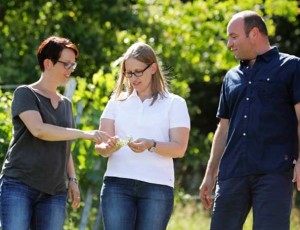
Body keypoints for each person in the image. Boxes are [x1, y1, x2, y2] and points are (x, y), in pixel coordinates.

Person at [199, 10, 300, 230]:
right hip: (232, 173)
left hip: (273, 172)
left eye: (233, 36)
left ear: (254, 33)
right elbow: (223, 128)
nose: (229, 44)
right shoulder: (231, 77)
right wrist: (210, 174)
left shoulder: (292, 67)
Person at [0, 36, 111, 230]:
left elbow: (64, 143)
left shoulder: (66, 104)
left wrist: (73, 180)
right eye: (66, 64)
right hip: (19, 185)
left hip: (54, 191)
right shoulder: (25, 93)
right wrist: (84, 133)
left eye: (73, 65)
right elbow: (39, 130)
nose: (71, 69)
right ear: (48, 63)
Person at [95, 42, 190, 230]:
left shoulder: (174, 103)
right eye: (129, 73)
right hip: (117, 185)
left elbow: (179, 148)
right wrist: (108, 148)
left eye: (138, 71)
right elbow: (102, 147)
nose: (133, 78)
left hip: (157, 187)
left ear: (153, 68)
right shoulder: (115, 102)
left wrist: (151, 144)